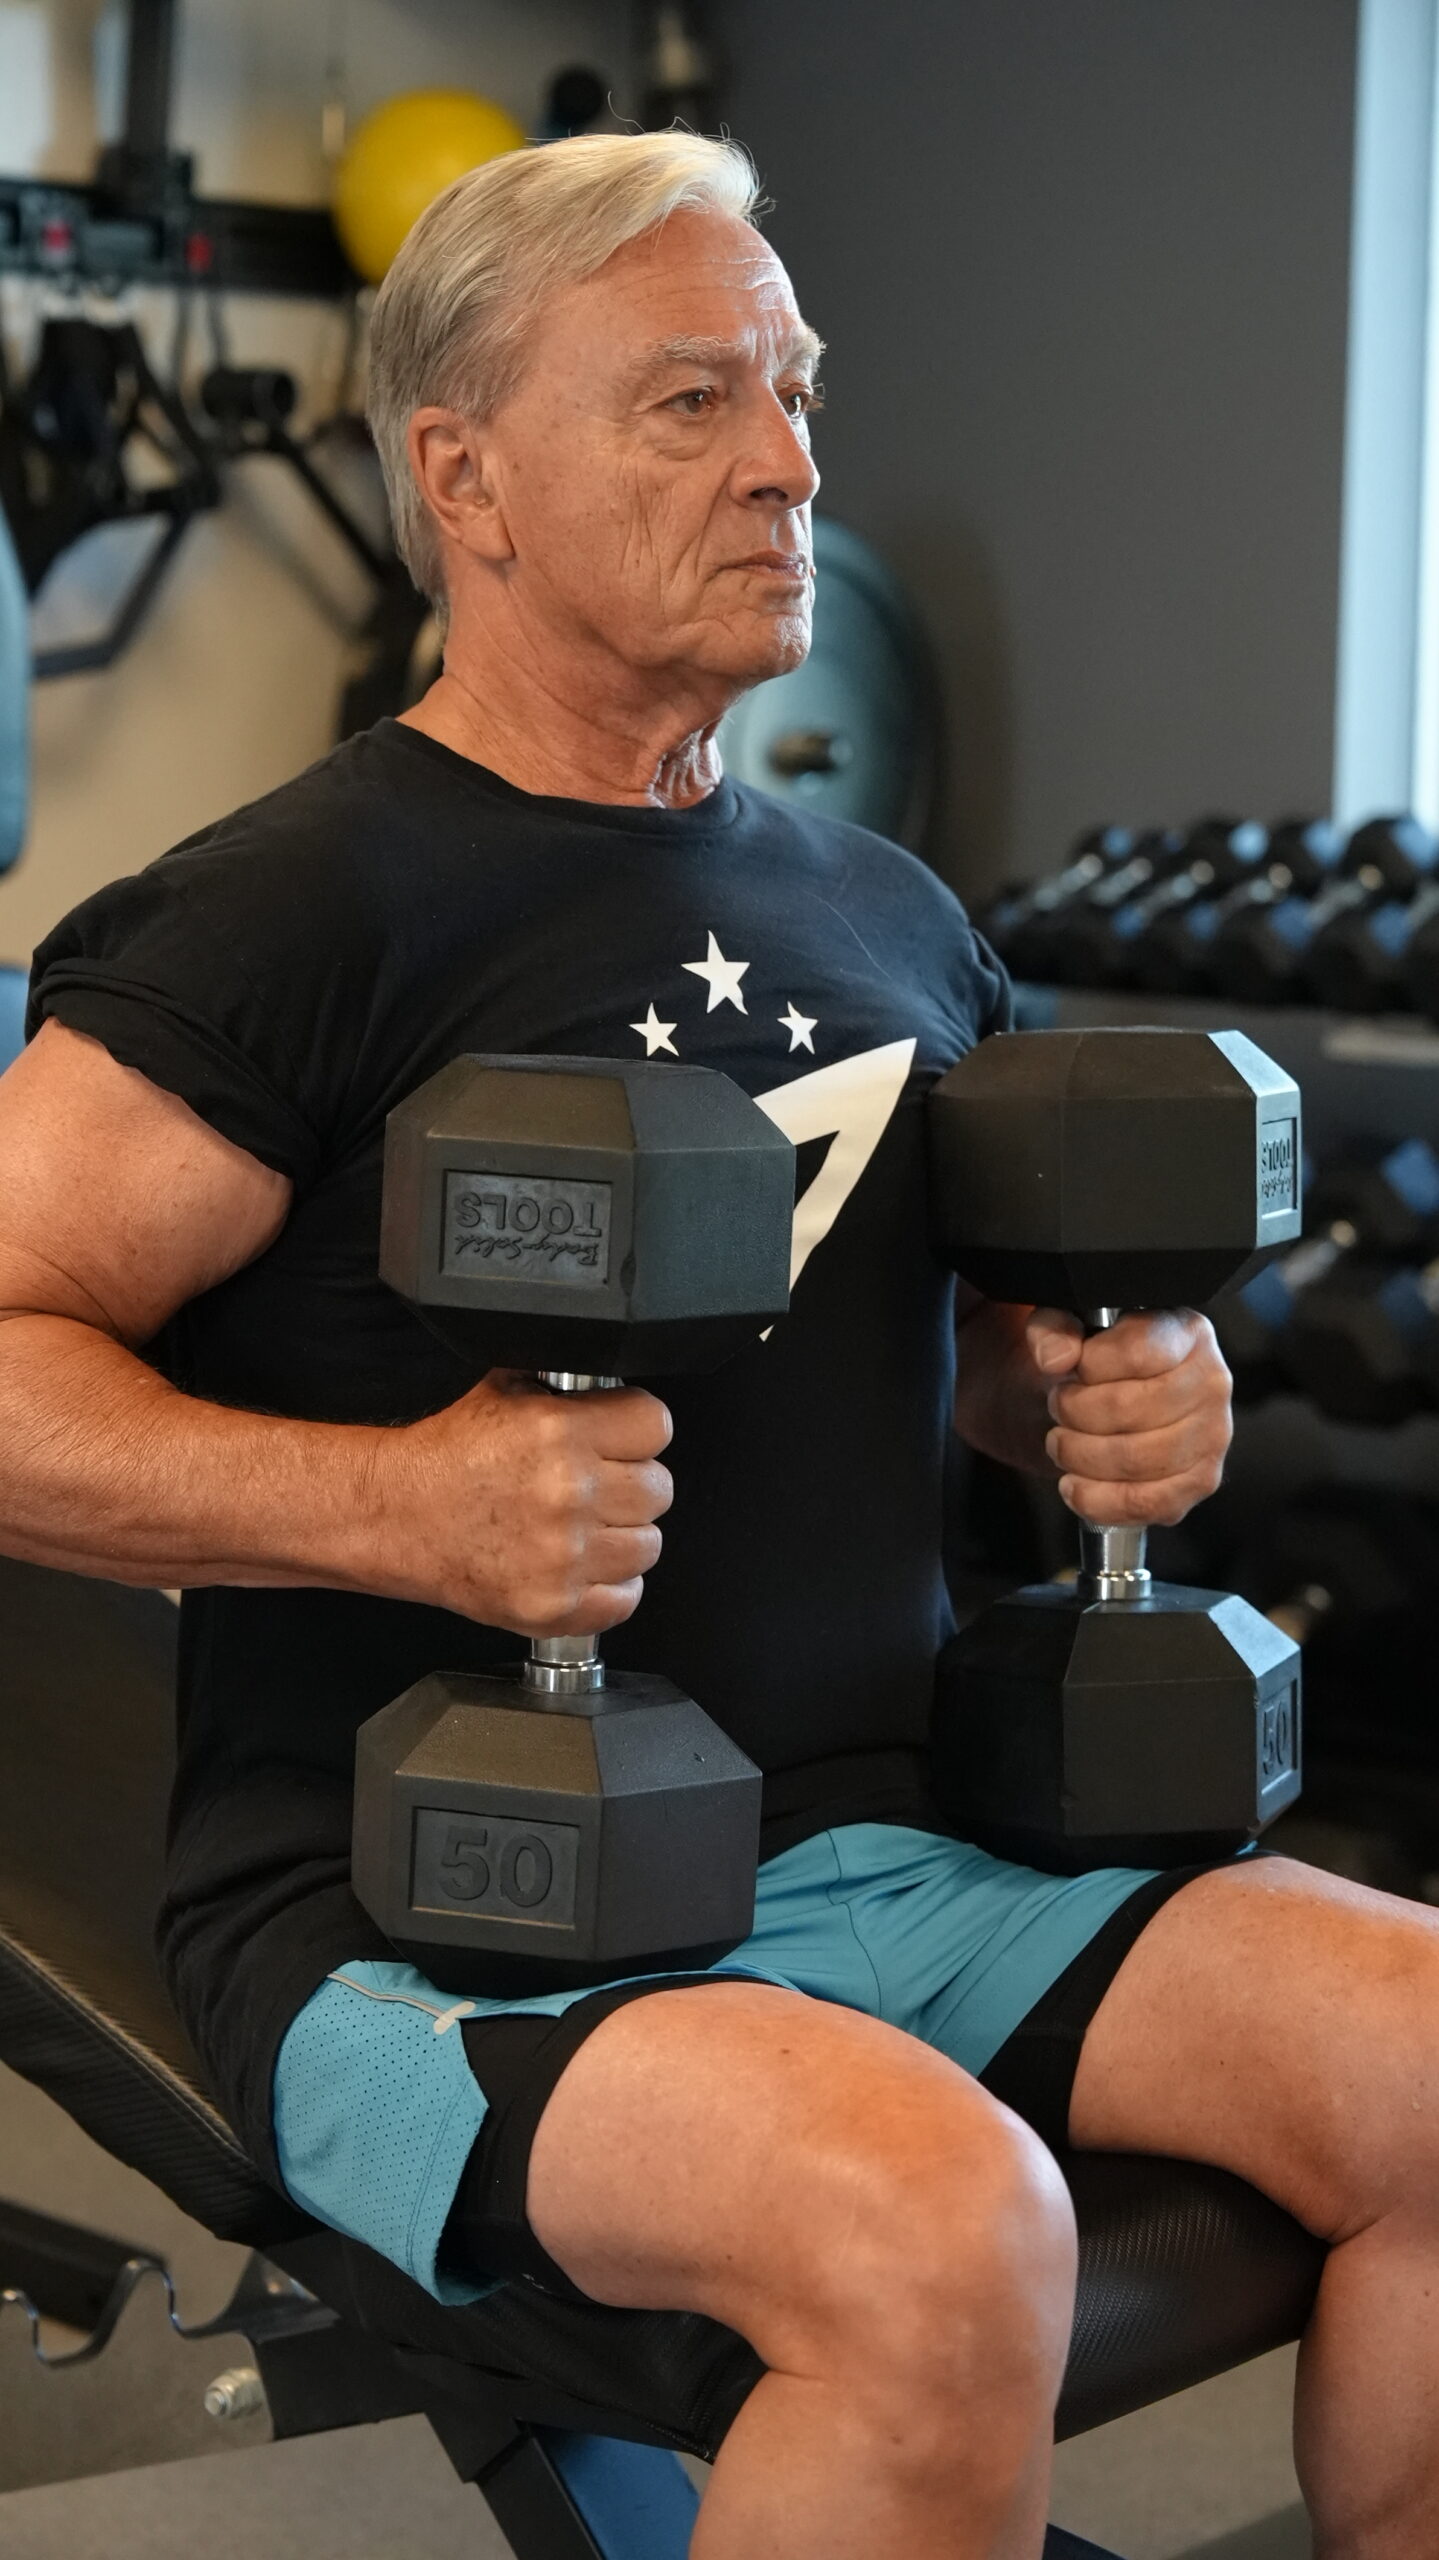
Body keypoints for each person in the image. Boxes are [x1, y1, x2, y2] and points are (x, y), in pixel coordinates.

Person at [0, 130, 1433, 2560]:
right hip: (424, 1913)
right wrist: (397, 1504)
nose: (786, 458)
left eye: (793, 391)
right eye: (691, 401)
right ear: (467, 472)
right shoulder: (288, 912)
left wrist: (1103, 1405)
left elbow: (966, 1362)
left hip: (915, 1843)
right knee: (942, 2235)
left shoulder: (886, 909)